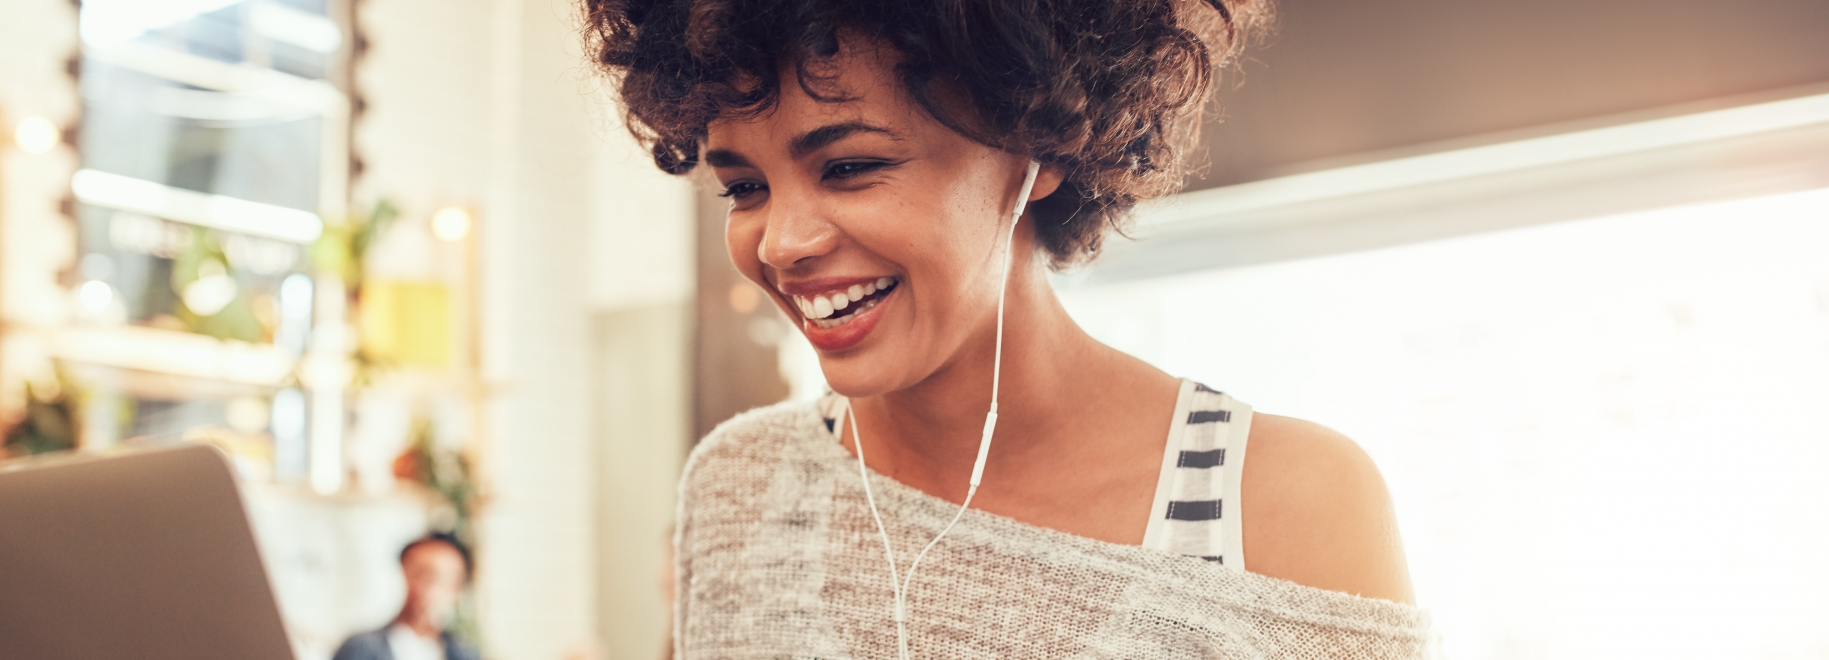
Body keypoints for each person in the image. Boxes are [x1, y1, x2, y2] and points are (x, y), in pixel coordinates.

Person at [585, 0, 1432, 657]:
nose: (781, 242)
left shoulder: (1279, 503)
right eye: (745, 188)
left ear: (1039, 143)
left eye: (850, 167)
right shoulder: (742, 487)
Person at [332, 533, 480, 660]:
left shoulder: (463, 653)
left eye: (444, 579)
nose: (429, 588)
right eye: (422, 574)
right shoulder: (361, 647)